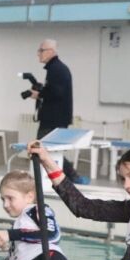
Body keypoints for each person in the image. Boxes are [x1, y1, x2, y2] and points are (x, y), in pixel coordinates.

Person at [31, 39, 86, 184]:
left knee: (44, 148)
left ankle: (71, 175)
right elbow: (54, 91)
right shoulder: (55, 69)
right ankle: (66, 176)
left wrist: (39, 94)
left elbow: (57, 93)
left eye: (41, 51)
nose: (38, 54)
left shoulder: (57, 69)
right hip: (53, 117)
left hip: (54, 118)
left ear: (50, 51)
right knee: (47, 149)